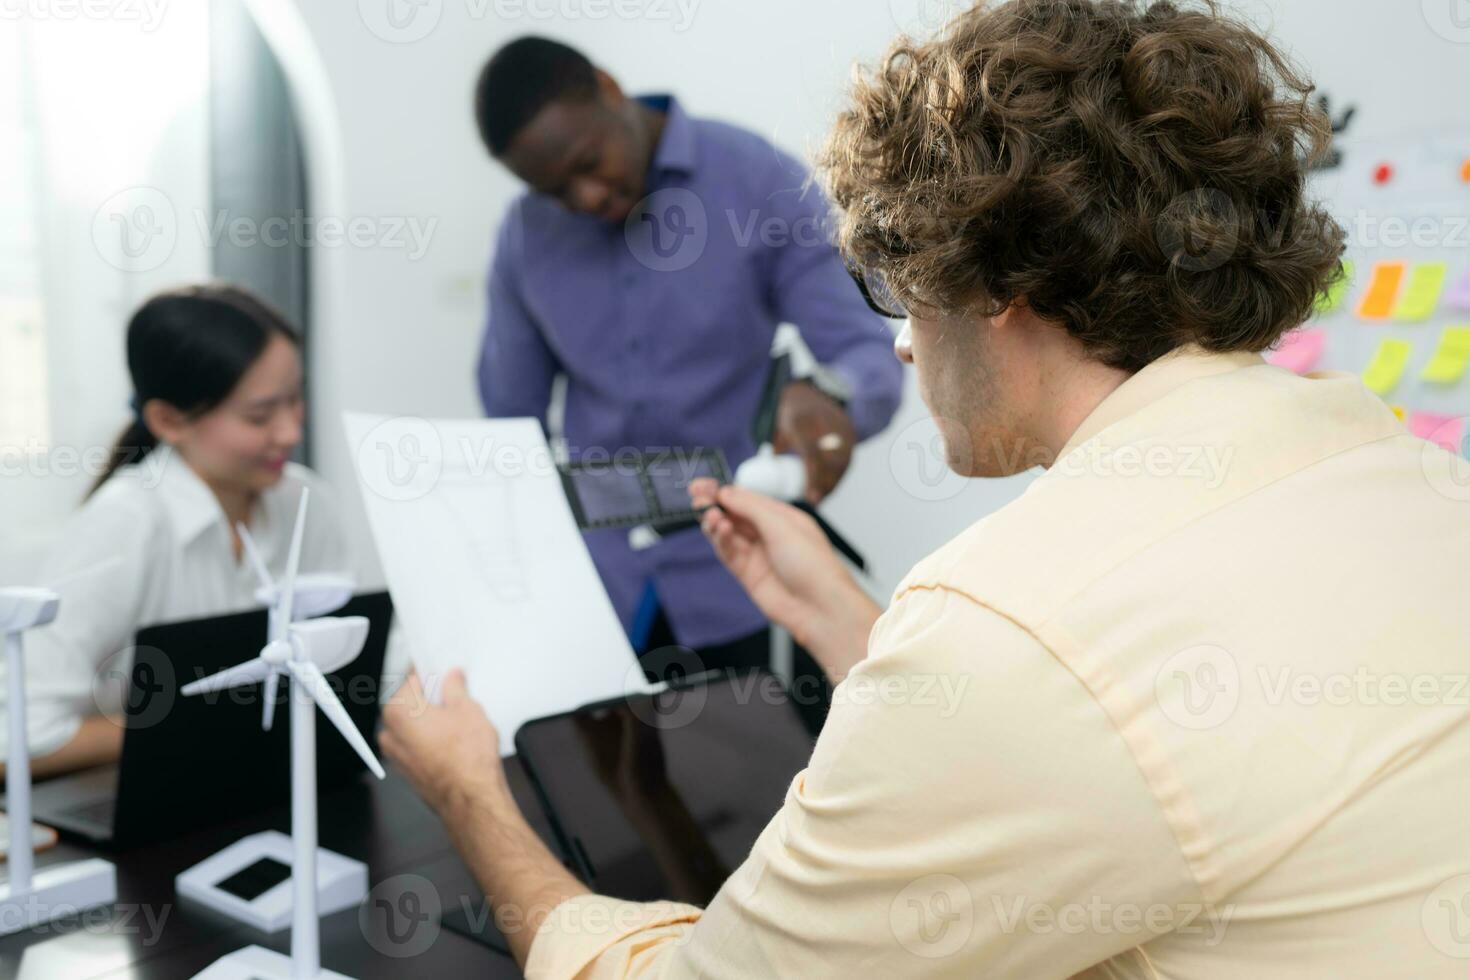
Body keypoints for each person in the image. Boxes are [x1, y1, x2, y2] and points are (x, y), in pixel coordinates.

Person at [382, 1, 1470, 975]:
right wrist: (851, 619)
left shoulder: (1009, 628)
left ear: (993, 282)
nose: (901, 343)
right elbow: (1063, 745)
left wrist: (469, 791)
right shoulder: (1415, 474)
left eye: (900, 283)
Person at [472, 37, 903, 709]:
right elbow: (509, 423)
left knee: (754, 793)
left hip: (738, 575)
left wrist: (833, 402)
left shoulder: (755, 180)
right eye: (554, 190)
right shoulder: (526, 236)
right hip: (598, 586)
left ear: (610, 89)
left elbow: (864, 351)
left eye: (588, 164)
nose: (585, 197)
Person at [0, 284, 351, 779]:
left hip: (271, 784)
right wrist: (187, 729)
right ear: (168, 419)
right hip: (150, 812)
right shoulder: (124, 523)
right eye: (259, 415)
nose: (290, 432)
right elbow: (15, 732)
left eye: (295, 400)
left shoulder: (304, 501)